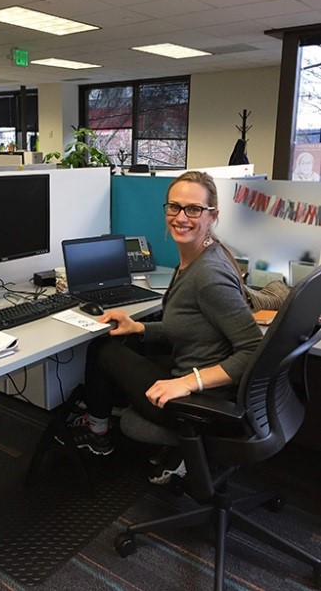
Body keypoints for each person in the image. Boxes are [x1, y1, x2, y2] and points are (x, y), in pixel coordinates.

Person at [61, 171, 263, 484]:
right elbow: (190, 325)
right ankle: (107, 423)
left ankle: (97, 433)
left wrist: (188, 383)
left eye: (193, 209)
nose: (181, 217)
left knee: (101, 349)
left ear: (213, 216)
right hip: (195, 372)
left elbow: (253, 350)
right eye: (174, 207)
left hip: (202, 398)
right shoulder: (199, 256)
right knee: (124, 342)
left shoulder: (208, 275)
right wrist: (138, 329)